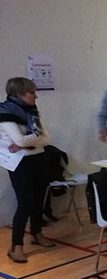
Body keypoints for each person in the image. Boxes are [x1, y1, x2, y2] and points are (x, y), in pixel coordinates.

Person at [0, 77, 55, 263]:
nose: (36, 96)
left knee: (39, 199)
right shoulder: (5, 114)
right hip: (19, 163)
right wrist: (29, 141)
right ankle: (16, 246)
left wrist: (26, 143)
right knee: (25, 203)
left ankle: (36, 233)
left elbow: (47, 138)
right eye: (32, 92)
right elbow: (20, 140)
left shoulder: (32, 111)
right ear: (18, 94)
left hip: (37, 158)